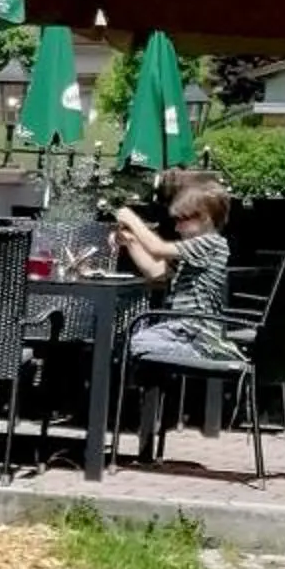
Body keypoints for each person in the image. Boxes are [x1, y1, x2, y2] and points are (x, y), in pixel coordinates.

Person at [107, 171, 243, 425]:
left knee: (133, 345)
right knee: (124, 343)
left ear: (204, 218)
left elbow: (159, 249)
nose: (177, 227)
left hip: (195, 334)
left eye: (182, 220)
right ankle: (133, 409)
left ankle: (217, 354)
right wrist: (131, 241)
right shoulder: (194, 251)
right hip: (179, 330)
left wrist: (131, 218)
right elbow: (157, 272)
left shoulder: (211, 243)